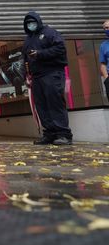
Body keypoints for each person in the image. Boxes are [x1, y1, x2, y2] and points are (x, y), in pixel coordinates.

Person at [20, 11, 72, 145]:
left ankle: (63, 134)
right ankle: (49, 134)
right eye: (27, 23)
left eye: (32, 22)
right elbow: (25, 59)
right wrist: (25, 75)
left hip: (52, 73)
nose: (30, 25)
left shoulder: (50, 33)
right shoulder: (28, 39)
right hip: (36, 77)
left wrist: (40, 54)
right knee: (41, 106)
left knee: (55, 103)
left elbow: (60, 48)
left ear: (38, 21)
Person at [101, 20, 109, 99]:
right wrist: (106, 78)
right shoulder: (103, 45)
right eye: (106, 28)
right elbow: (103, 64)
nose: (108, 29)